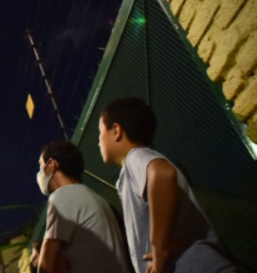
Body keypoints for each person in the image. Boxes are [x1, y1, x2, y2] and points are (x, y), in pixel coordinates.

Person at [98, 97, 238, 273]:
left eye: (100, 131)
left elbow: (162, 174)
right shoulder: (130, 171)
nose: (98, 141)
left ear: (116, 130)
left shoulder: (136, 156)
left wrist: (158, 247)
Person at [36, 141, 129, 273]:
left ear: (52, 164)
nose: (40, 173)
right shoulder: (93, 196)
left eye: (41, 166)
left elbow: (45, 267)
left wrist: (49, 259)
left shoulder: (62, 196)